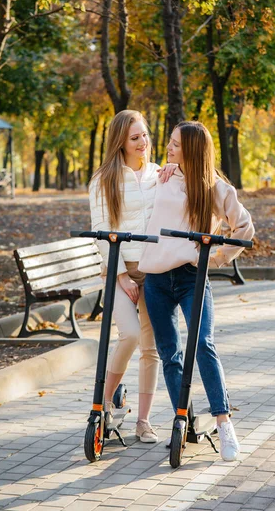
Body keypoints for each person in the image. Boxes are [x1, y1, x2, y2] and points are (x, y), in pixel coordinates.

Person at [139, 120, 255, 461]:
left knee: (203, 344)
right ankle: (182, 421)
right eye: (170, 142)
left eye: (175, 144)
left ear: (191, 150)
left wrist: (217, 259)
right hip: (157, 280)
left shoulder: (215, 187)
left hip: (192, 277)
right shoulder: (163, 176)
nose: (169, 148)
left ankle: (223, 422)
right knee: (169, 352)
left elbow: (244, 228)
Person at [88, 109, 173, 444]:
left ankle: (143, 421)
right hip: (119, 272)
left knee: (151, 348)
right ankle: (104, 405)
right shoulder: (103, 180)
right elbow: (101, 232)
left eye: (145, 136)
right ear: (120, 142)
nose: (143, 143)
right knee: (131, 335)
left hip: (154, 271)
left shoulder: (160, 175)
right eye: (135, 138)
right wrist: (121, 274)